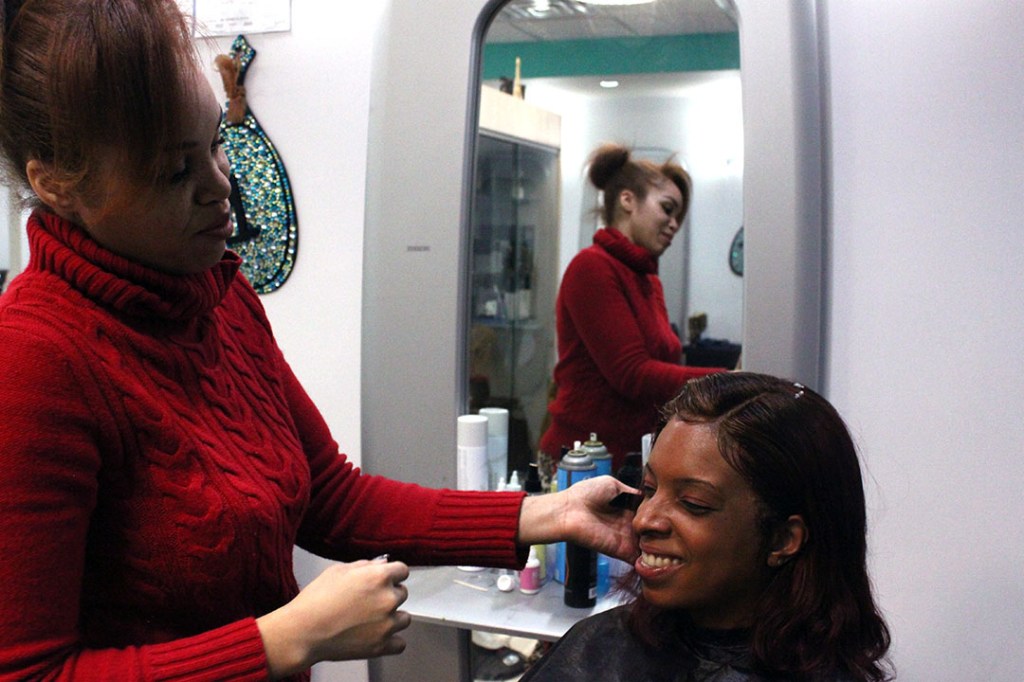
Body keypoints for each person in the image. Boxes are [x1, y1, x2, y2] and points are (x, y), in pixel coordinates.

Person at [0, 2, 638, 680]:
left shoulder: (222, 300)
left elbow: (333, 499)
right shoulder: (33, 363)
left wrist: (548, 513)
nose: (222, 186)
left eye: (214, 143)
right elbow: (30, 673)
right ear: (57, 184)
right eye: (174, 173)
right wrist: (285, 639)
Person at [523, 372, 893, 682]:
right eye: (648, 489)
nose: (643, 519)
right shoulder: (597, 650)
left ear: (782, 539)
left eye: (693, 503)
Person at [538, 143, 724, 473]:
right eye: (667, 209)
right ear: (628, 200)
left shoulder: (647, 279)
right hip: (585, 462)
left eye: (678, 216)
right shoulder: (592, 267)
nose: (674, 224)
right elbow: (632, 373)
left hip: (631, 457)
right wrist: (725, 380)